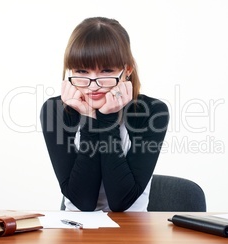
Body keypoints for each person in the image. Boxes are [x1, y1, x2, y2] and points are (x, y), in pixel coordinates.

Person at [40, 17, 169, 212]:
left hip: (132, 232)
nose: (93, 84)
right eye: (82, 71)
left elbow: (121, 201)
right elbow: (83, 201)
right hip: (75, 230)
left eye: (106, 70)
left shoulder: (152, 112)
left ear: (127, 70)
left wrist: (107, 119)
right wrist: (90, 118)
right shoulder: (55, 110)